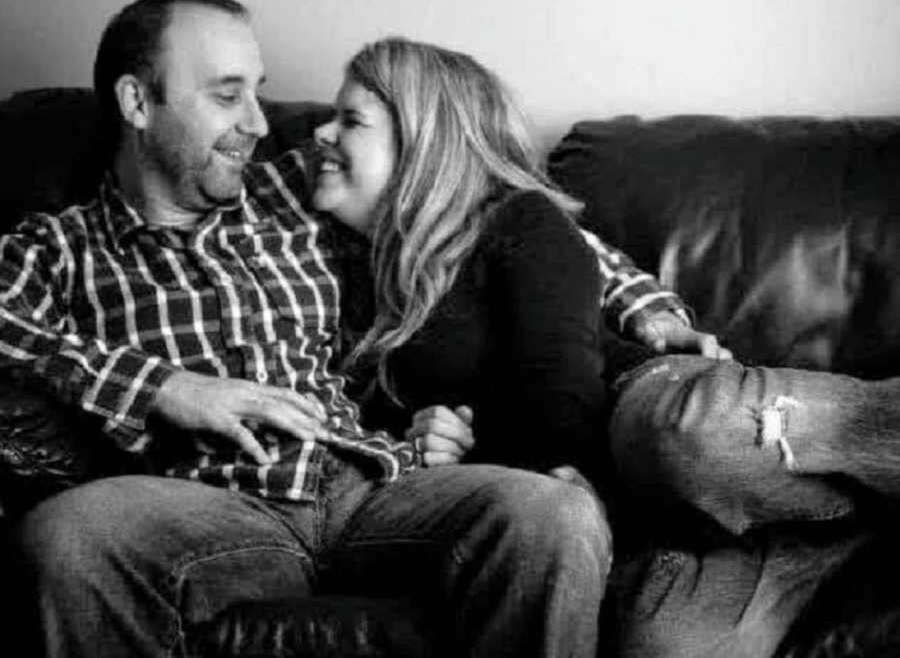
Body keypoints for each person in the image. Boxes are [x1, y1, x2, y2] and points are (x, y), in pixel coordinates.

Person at [0, 0, 612, 658]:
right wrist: (165, 388)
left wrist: (652, 305)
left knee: (554, 513)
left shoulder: (292, 186)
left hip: (372, 485)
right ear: (138, 103)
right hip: (213, 507)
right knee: (66, 536)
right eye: (228, 96)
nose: (261, 124)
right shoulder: (59, 246)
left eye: (258, 94)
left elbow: (479, 204)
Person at [312, 36, 900, 658]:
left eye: (351, 120)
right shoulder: (324, 280)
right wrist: (427, 438)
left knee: (688, 435)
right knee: (661, 644)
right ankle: (846, 528)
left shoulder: (516, 223)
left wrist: (557, 485)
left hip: (633, 416)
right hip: (665, 527)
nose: (320, 133)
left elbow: (558, 373)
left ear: (424, 145)